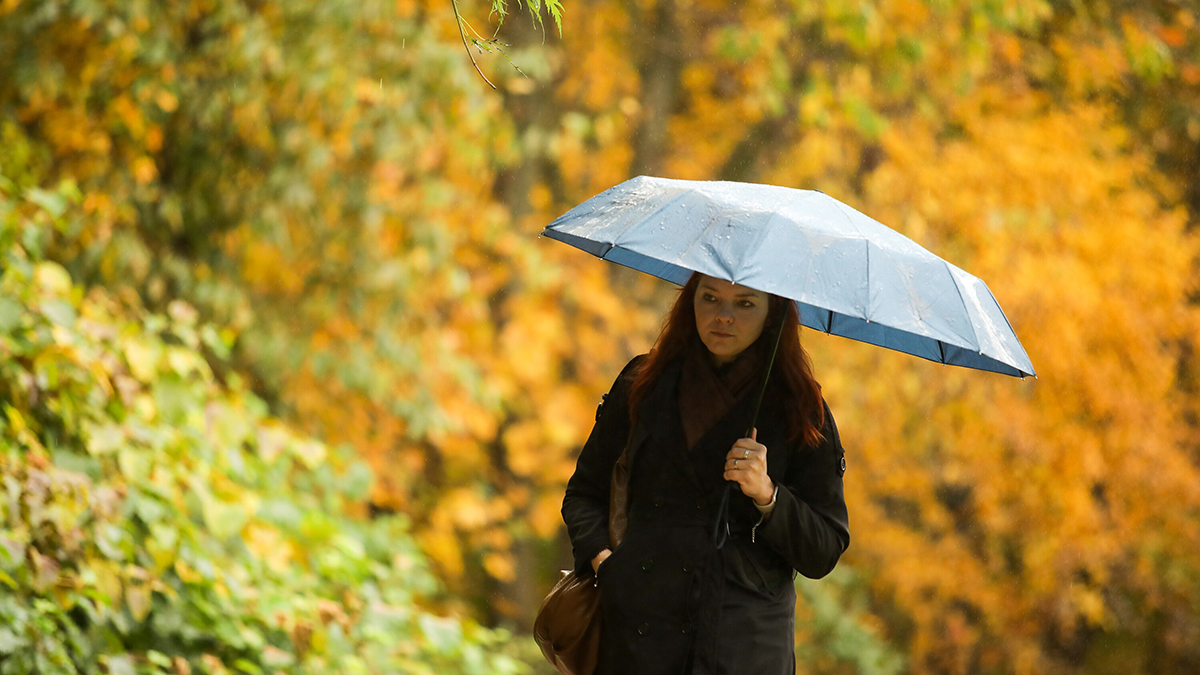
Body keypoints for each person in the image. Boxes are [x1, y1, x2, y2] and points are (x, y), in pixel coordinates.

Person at [561, 272, 850, 675]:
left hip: (743, 647)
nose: (723, 316)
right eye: (710, 298)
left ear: (773, 315)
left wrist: (768, 495)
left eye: (745, 303)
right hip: (638, 637)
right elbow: (584, 493)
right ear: (689, 302)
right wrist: (606, 565)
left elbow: (825, 548)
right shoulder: (643, 384)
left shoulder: (801, 409)